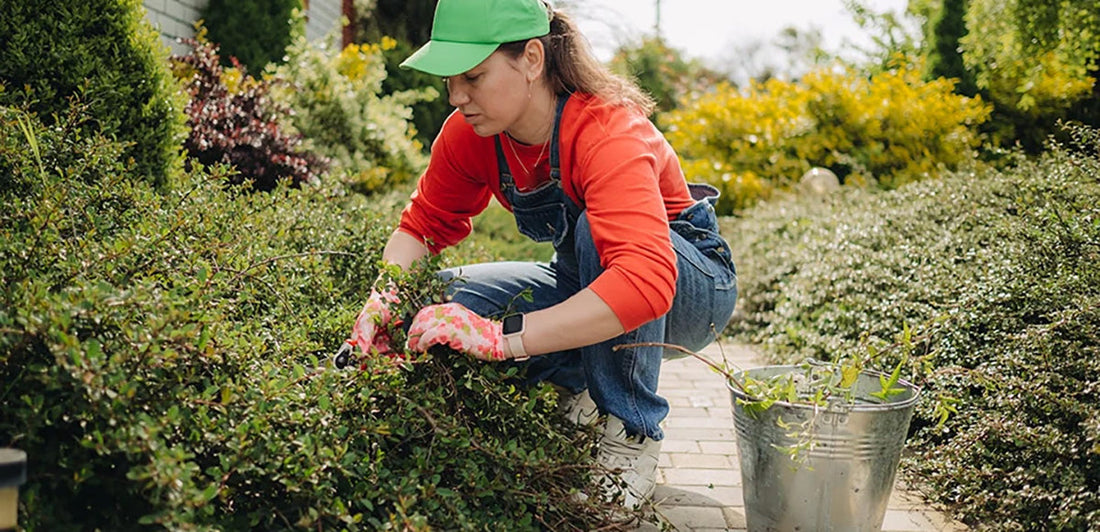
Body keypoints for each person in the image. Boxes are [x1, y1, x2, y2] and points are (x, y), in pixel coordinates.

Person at [343, 0, 737, 509]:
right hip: (588, 279)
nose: (457, 96)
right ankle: (576, 389)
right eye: (450, 80)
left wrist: (501, 339)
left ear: (532, 58)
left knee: (599, 237)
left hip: (691, 293)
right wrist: (385, 297)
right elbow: (422, 226)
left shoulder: (607, 129)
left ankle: (630, 432)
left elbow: (644, 281)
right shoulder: (470, 134)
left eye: (474, 76)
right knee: (439, 300)